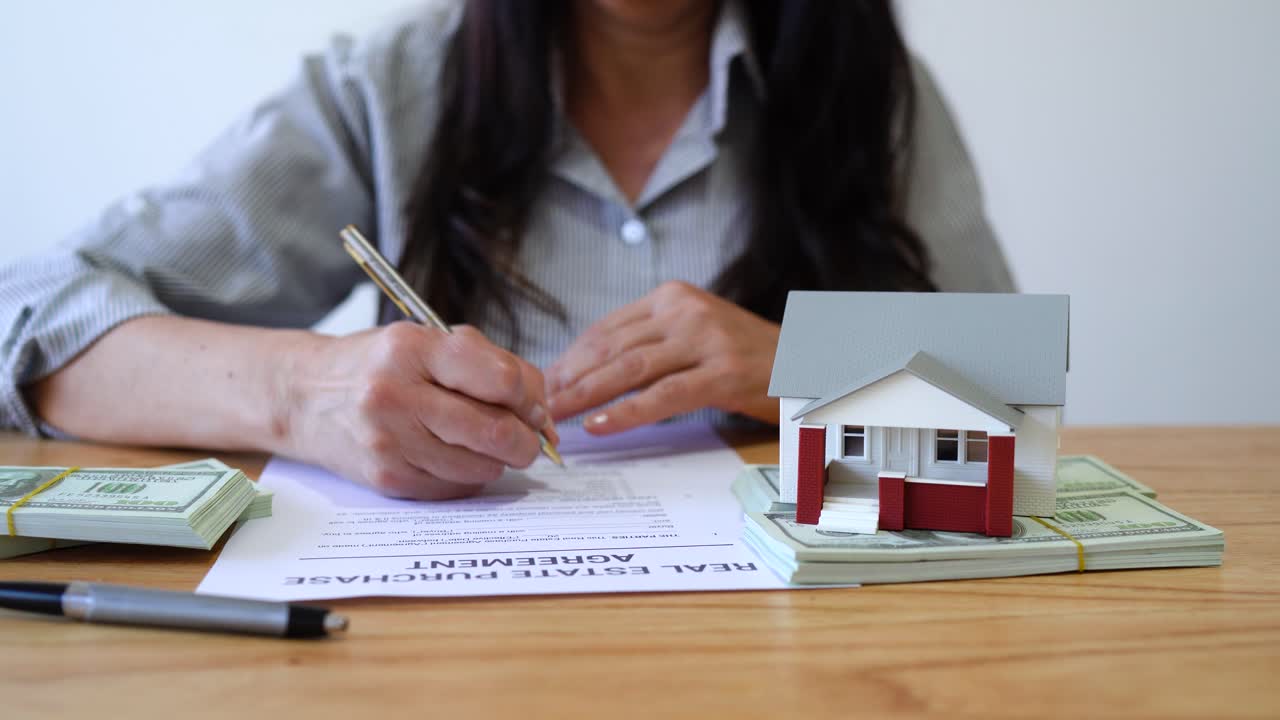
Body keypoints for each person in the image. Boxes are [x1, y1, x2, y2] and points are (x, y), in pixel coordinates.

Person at [0, 0, 1013, 500]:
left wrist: (806, 366)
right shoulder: (386, 89)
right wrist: (305, 394)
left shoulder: (874, 94)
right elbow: (28, 312)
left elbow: (1016, 417)